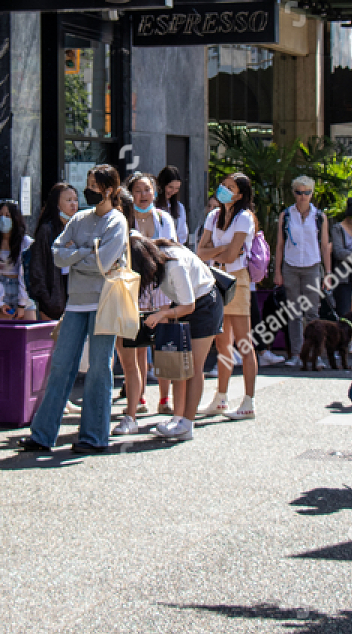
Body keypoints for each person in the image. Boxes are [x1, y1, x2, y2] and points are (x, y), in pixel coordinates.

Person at [20, 164, 130, 453]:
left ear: (109, 189)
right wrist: (87, 251)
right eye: (88, 184)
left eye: (93, 185)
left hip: (104, 301)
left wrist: (76, 256)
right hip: (76, 303)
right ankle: (42, 435)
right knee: (60, 366)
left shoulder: (116, 221)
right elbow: (57, 254)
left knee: (98, 370)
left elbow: (103, 263)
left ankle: (94, 437)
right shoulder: (80, 219)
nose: (88, 190)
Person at [142, 237, 224, 441]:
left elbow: (189, 306)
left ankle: (187, 424)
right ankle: (176, 419)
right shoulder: (155, 253)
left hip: (205, 305)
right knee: (180, 365)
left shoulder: (174, 264)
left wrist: (162, 315)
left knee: (194, 367)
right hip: (185, 304)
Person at [195, 172, 259, 418]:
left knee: (243, 342)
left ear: (240, 194)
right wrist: (223, 250)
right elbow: (201, 251)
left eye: (230, 187)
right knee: (222, 342)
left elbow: (233, 257)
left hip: (237, 280)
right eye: (223, 185)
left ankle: (248, 401)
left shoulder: (244, 218)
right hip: (214, 279)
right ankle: (221, 398)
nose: (224, 190)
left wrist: (217, 251)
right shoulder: (214, 215)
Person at [121, 173, 176, 412]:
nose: (143, 195)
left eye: (147, 190)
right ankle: (139, 397)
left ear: (155, 192)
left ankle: (165, 399)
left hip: (162, 286)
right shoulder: (124, 219)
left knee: (163, 342)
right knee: (138, 345)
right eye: (138, 190)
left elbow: (174, 248)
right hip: (134, 287)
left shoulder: (164, 218)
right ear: (130, 194)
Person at [274, 175, 333, 369]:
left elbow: (325, 246)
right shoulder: (286, 215)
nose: (303, 196)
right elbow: (280, 244)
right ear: (294, 193)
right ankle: (297, 353)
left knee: (312, 312)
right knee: (293, 312)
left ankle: (317, 354)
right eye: (299, 192)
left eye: (307, 192)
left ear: (312, 193)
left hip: (312, 265)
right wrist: (278, 271)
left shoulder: (319, 217)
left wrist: (328, 273)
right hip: (291, 265)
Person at [28, 183, 78, 321]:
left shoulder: (79, 228)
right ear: (57, 204)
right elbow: (37, 269)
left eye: (75, 199)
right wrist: (46, 299)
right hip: (54, 300)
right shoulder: (47, 230)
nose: (73, 204)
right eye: (68, 200)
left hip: (75, 298)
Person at [0, 199, 36, 321]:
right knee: (5, 333)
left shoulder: (26, 242)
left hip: (22, 287)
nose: (3, 219)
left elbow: (25, 273)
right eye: (0, 215)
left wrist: (22, 304)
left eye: (7, 215)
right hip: (1, 287)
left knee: (29, 330)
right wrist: (0, 302)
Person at [156, 164, 190, 243]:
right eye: (170, 187)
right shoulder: (151, 205)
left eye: (177, 188)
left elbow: (182, 234)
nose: (173, 191)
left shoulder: (179, 207)